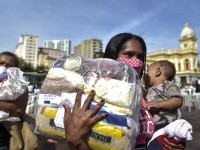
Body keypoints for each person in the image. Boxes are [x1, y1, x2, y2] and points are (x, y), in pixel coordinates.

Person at [63, 33, 186, 150]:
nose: (136, 61)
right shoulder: (95, 91)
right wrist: (76, 140)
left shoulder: (143, 93)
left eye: (140, 57)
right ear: (113, 56)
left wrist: (173, 143)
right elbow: (81, 139)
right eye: (129, 54)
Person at [0, 51, 37, 150]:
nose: (4, 66)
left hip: (4, 134)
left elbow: (18, 110)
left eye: (8, 65)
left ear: (15, 68)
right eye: (1, 63)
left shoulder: (19, 86)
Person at [145, 60, 183, 131]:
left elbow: (177, 101)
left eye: (147, 71)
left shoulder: (167, 85)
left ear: (158, 72)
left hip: (166, 125)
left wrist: (159, 104)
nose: (145, 74)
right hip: (152, 126)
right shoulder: (149, 88)